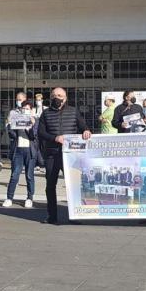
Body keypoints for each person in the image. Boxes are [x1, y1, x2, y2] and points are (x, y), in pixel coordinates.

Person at [38, 87, 92, 225]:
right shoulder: (45, 113)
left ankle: (75, 215)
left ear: (65, 98)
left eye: (60, 95)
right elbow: (41, 133)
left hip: (70, 156)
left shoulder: (73, 111)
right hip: (52, 154)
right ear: (51, 97)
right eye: (54, 95)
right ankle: (52, 216)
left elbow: (83, 126)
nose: (57, 97)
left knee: (73, 186)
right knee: (50, 185)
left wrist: (86, 130)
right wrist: (54, 138)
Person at [4, 99, 38, 208]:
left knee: (29, 175)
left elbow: (34, 136)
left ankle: (29, 198)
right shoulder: (17, 119)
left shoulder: (35, 121)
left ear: (31, 110)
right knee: (14, 175)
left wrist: (30, 126)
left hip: (29, 150)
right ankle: (9, 198)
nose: (25, 110)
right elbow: (12, 135)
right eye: (24, 109)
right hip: (18, 149)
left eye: (27, 109)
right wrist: (9, 124)